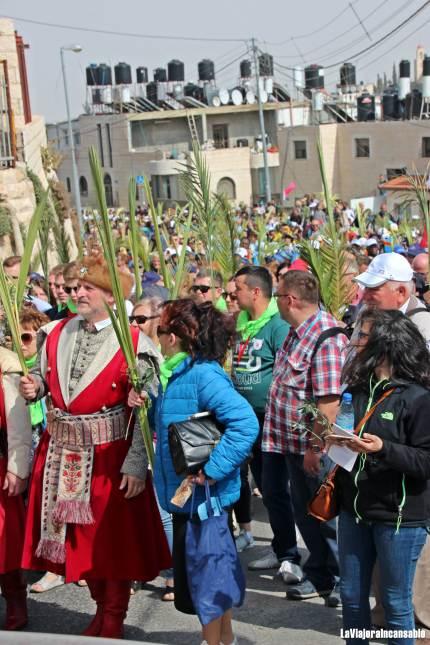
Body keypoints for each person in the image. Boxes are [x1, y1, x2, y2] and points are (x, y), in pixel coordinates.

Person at [19, 255, 171, 639]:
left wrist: (136, 464)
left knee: (112, 545)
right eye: (75, 288)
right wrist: (34, 387)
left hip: (109, 457)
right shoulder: (56, 332)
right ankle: (101, 609)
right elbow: (43, 375)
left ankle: (114, 617)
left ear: (110, 293)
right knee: (78, 545)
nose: (78, 293)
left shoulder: (135, 341)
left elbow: (146, 409)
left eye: (88, 288)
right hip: (61, 452)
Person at [129, 299, 259, 645]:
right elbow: (179, 419)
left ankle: (213, 641)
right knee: (212, 577)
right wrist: (149, 401)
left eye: (160, 329)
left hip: (204, 499)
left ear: (178, 336)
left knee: (207, 580)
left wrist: (213, 471)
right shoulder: (180, 373)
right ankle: (222, 638)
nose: (156, 335)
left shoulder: (202, 374)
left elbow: (245, 424)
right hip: (191, 498)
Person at [330, 309, 430, 645]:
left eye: (362, 336)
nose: (354, 341)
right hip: (354, 511)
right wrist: (332, 441)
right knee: (351, 597)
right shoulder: (358, 389)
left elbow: (425, 461)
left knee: (396, 604)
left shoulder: (418, 398)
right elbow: (345, 434)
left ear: (384, 346)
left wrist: (383, 447)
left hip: (399, 520)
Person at [265, 270, 348, 604]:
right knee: (306, 514)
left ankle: (345, 579)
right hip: (292, 445)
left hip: (314, 448)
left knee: (328, 516)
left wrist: (316, 447)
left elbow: (328, 404)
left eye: (277, 296)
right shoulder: (298, 332)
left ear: (290, 299)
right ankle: (321, 576)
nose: (276, 302)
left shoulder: (325, 337)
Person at [231, 266, 293, 562]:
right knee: (266, 487)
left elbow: (286, 371)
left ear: (256, 292)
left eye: (238, 288)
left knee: (276, 488)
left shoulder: (278, 325)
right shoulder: (240, 322)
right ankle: (281, 548)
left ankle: (289, 554)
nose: (232, 294)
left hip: (271, 420)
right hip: (245, 420)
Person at [129, 296, 175, 601]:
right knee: (137, 512)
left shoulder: (170, 358)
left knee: (164, 514)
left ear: (159, 322)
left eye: (141, 320)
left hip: (164, 445)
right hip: (134, 442)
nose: (134, 325)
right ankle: (139, 567)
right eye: (131, 319)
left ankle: (174, 573)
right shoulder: (133, 355)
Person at [0, 345, 32, 630]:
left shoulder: (6, 363)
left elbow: (17, 421)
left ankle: (15, 599)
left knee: (3, 542)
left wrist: (17, 466)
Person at [355, 252, 430, 344]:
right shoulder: (368, 310)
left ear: (401, 292)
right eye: (366, 287)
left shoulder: (423, 326)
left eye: (373, 289)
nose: (365, 296)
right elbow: (352, 354)